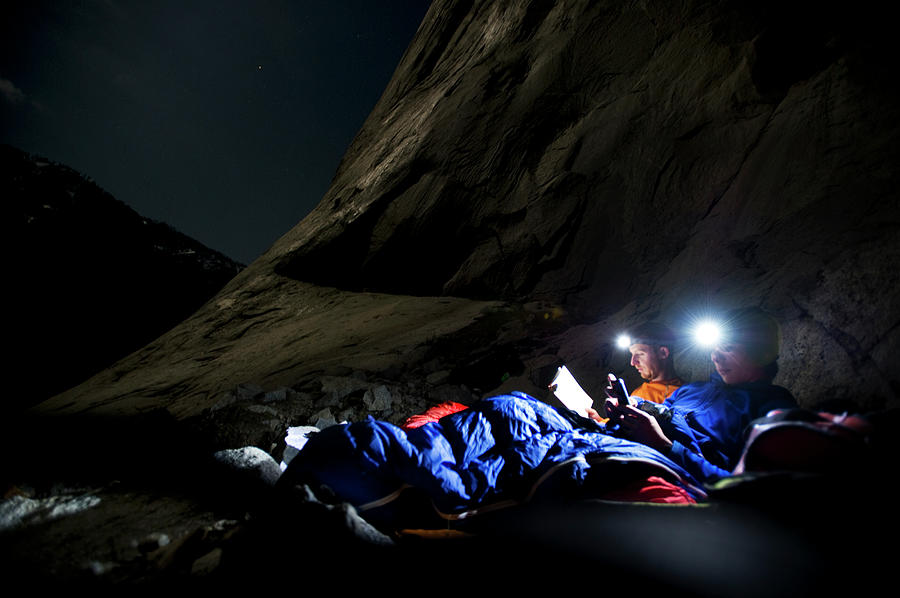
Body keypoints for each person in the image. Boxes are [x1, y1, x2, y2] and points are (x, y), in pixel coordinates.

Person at [604, 307, 798, 484]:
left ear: (759, 353)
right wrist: (629, 407)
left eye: (728, 348)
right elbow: (659, 414)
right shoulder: (692, 390)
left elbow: (747, 486)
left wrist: (664, 446)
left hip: (664, 464)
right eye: (714, 348)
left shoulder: (772, 407)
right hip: (625, 445)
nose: (715, 357)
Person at [624, 321, 684, 404]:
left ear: (663, 353)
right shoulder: (637, 395)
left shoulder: (689, 394)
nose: (633, 362)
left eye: (640, 354)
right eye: (632, 355)